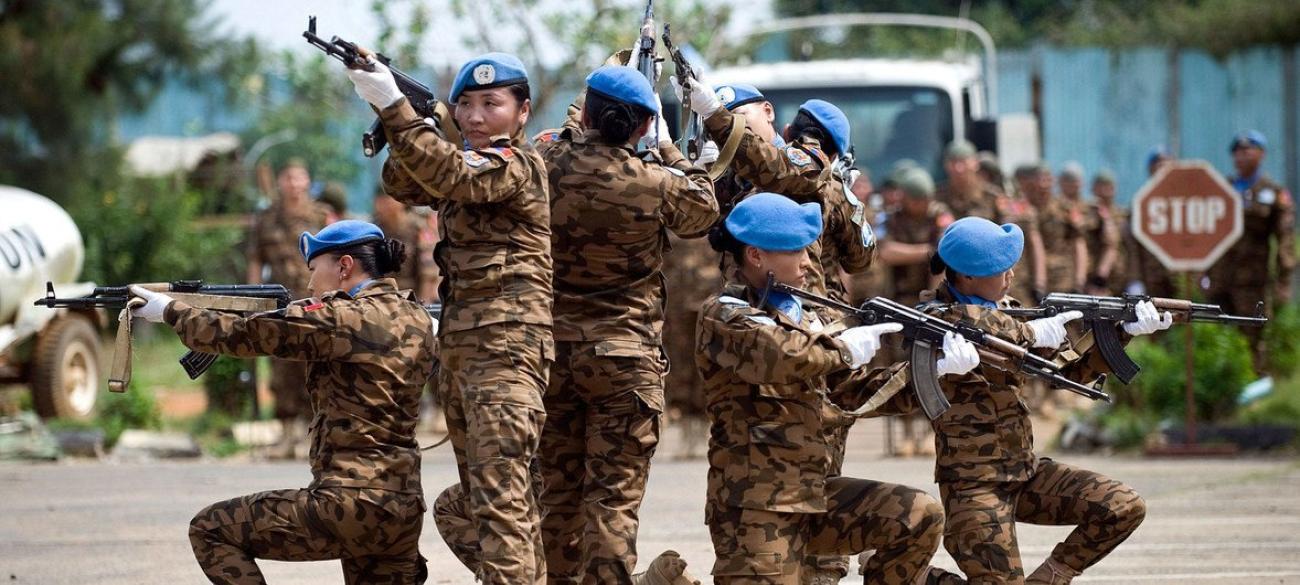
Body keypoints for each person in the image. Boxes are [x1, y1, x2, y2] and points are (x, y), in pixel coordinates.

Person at [131, 220, 435, 584]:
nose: (309, 284)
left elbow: (248, 334)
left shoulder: (341, 318)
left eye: (314, 270)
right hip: (401, 509)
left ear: (345, 267)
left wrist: (170, 311)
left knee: (211, 530)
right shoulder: (416, 317)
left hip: (349, 502)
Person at [696, 193, 977, 585]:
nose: (809, 263)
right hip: (756, 508)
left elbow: (853, 391)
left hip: (816, 495)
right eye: (796, 252)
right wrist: (842, 347)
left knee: (918, 515)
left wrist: (933, 371)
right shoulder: (724, 314)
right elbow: (783, 355)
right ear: (756, 256)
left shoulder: (808, 315)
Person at [347, 52, 554, 583]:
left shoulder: (515, 164)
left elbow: (445, 170)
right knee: (494, 509)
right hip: (468, 356)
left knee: (502, 509)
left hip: (506, 356)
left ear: (523, 112)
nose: (476, 117)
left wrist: (395, 106)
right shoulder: (463, 158)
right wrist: (415, 117)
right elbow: (405, 179)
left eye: (492, 104)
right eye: (465, 106)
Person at [533, 65, 718, 583]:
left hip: (554, 355)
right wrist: (670, 150)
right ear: (640, 128)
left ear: (588, 113)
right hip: (624, 359)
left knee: (559, 499)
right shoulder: (654, 182)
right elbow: (703, 209)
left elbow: (569, 130)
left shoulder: (546, 163)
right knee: (611, 501)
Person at [906, 217, 1166, 584]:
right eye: (999, 269)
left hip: (1024, 472)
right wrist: (1027, 333)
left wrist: (1122, 332)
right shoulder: (932, 321)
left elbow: (1069, 374)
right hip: (973, 485)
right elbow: (967, 323)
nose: (1011, 275)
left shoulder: (1010, 310)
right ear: (964, 277)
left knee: (1123, 506)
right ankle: (906, 576)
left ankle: (1051, 577)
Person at [680, 79, 876, 301]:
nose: (734, 129)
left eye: (740, 119)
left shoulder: (800, 172)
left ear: (769, 112)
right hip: (747, 311)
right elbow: (698, 223)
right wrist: (701, 170)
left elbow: (860, 262)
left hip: (803, 314)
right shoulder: (736, 178)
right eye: (718, 127)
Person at [245, 157, 331, 458]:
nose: (293, 184)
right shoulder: (266, 219)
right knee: (281, 363)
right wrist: (254, 299)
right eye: (288, 178)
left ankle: (313, 432)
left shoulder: (321, 216)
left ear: (307, 181)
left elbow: (339, 259)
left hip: (315, 303)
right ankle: (285, 434)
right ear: (280, 183)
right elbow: (256, 259)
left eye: (299, 178)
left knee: (314, 362)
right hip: (280, 302)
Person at [878, 167, 953, 458]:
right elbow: (886, 252)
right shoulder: (890, 218)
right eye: (916, 199)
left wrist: (933, 302)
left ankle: (926, 434)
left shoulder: (940, 214)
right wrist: (925, 251)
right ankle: (906, 434)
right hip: (899, 301)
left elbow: (944, 255)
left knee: (931, 368)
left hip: (930, 300)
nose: (921, 204)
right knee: (899, 367)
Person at [1206, 130, 1295, 372]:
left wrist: (1284, 279)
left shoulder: (1274, 193)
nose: (1241, 156)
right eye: (1237, 152)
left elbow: (1285, 239)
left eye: (1247, 150)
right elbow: (1206, 232)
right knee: (1218, 333)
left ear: (1261, 154)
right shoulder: (1223, 188)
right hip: (1220, 279)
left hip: (1253, 280)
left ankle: (1254, 388)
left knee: (1253, 334)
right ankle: (1225, 386)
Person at [372, 189, 439, 302]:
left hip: (411, 300)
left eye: (387, 200)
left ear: (401, 202)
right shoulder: (374, 231)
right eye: (380, 201)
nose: (383, 205)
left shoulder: (418, 228)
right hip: (381, 301)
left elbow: (429, 275)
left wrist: (422, 308)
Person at [1081, 170, 1125, 295]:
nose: (1106, 190)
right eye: (1102, 186)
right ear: (1094, 188)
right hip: (1097, 278)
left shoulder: (1121, 213)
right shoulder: (1088, 211)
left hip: (1120, 277)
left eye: (1110, 186)